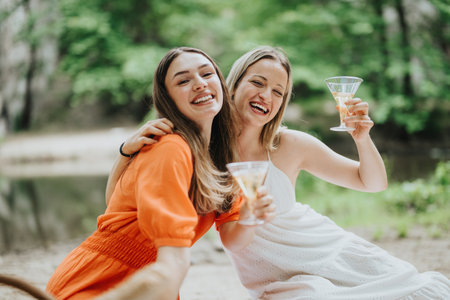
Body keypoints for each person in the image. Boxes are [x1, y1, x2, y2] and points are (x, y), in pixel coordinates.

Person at [115, 46, 450, 300]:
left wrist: (362, 138)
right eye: (257, 83)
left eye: (278, 92)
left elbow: (372, 183)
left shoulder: (290, 144)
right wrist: (124, 152)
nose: (267, 95)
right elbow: (118, 203)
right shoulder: (200, 149)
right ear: (232, 83)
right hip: (281, 282)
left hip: (329, 252)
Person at [45, 46, 274, 300]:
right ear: (168, 100)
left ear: (220, 83)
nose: (199, 83)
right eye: (184, 80)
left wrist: (250, 216)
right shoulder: (170, 147)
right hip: (98, 284)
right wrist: (125, 153)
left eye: (207, 74)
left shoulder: (220, 160)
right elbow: (169, 256)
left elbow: (233, 239)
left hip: (152, 284)